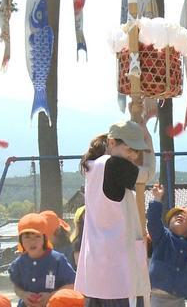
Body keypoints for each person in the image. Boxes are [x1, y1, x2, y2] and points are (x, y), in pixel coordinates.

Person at [74, 120, 155, 307]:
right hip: (119, 272)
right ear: (112, 143)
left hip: (96, 269)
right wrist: (149, 140)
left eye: (137, 151)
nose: (133, 155)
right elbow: (148, 173)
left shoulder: (92, 166)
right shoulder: (114, 165)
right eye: (130, 149)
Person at [147, 183, 187, 306]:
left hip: (179, 298)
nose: (179, 215)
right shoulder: (163, 237)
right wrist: (157, 199)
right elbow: (153, 221)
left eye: (184, 215)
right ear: (168, 224)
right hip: (157, 296)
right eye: (175, 215)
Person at [9, 213, 76, 307]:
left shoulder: (57, 260)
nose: (32, 241)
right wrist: (23, 295)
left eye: (37, 236)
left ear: (44, 238)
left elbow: (72, 284)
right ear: (20, 240)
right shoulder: (19, 263)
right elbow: (16, 286)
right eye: (27, 237)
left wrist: (51, 296)